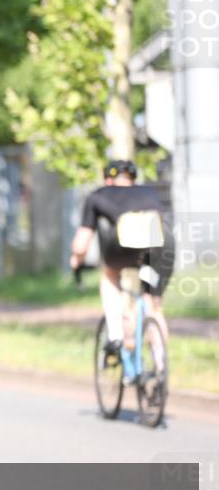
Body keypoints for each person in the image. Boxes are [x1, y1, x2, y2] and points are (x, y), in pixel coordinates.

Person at [69, 160, 173, 375]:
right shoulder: (149, 191)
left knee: (109, 276)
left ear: (108, 179)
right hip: (161, 245)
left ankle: (116, 334)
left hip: (125, 247)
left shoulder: (98, 195)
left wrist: (76, 261)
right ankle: (161, 365)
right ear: (133, 179)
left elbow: (81, 243)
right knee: (154, 307)